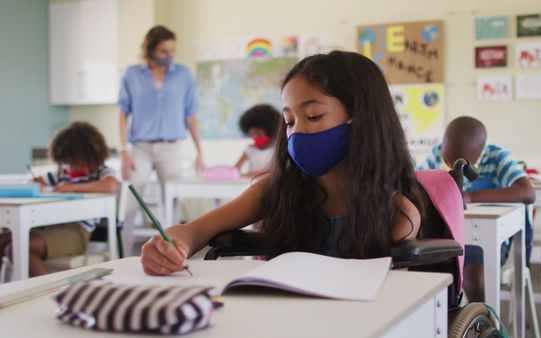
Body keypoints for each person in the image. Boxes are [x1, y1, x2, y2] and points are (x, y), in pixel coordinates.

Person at [140, 50, 437, 275]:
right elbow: (194, 230)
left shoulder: (397, 212)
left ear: (362, 119)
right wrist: (170, 245)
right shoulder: (276, 189)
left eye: (314, 116)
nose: (298, 133)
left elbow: (391, 302)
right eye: (289, 120)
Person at [418, 116, 535, 302]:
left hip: (485, 240)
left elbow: (527, 193)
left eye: (458, 166)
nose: (450, 168)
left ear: (477, 157)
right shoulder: (437, 153)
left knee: (473, 275)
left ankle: (480, 323)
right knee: (421, 265)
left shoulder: (498, 157)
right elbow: (416, 184)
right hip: (448, 234)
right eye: (447, 161)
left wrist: (470, 196)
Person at [117, 25, 205, 255]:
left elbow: (191, 114)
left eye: (172, 51)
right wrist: (123, 150)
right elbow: (122, 113)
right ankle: (123, 256)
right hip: (140, 148)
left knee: (171, 207)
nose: (169, 56)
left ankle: (171, 254)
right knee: (131, 204)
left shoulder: (183, 75)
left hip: (171, 147)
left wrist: (200, 151)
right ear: (150, 49)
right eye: (164, 51)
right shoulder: (132, 75)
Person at [0, 122, 119, 276]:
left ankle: (49, 295)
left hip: (75, 233)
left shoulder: (100, 172)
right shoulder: (61, 174)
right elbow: (35, 181)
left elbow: (111, 186)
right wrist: (36, 184)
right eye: (65, 161)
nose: (68, 167)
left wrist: (72, 187)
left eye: (72, 160)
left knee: (16, 248)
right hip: (47, 227)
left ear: (87, 155)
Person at [234, 104, 280, 177]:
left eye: (259, 134)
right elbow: (235, 169)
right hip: (250, 184)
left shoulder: (276, 149)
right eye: (253, 134)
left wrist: (244, 175)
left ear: (270, 131)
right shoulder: (250, 149)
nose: (256, 137)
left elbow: (272, 172)